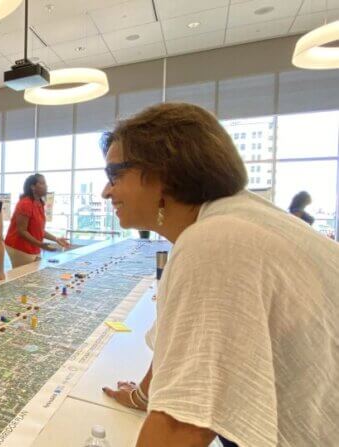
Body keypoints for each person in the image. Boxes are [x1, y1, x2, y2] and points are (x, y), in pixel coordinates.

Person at [98, 103, 338, 447]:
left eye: (114, 176)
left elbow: (184, 425)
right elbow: (187, 348)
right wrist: (142, 396)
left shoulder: (215, 239)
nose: (106, 192)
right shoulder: (232, 218)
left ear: (162, 172)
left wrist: (158, 408)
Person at [4, 174, 70, 268]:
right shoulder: (25, 204)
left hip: (33, 247)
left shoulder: (39, 203)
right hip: (19, 246)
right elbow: (21, 231)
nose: (46, 186)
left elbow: (38, 230)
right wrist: (41, 245)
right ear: (33, 187)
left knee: (35, 275)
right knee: (25, 278)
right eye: (42, 183)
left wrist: (56, 239)